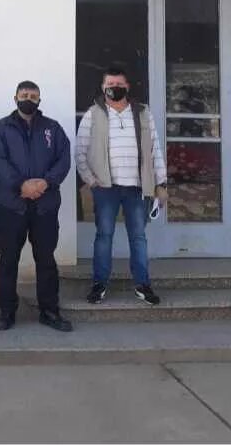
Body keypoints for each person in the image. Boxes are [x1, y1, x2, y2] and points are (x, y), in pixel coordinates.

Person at [75, 64, 168, 306]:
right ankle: (99, 284)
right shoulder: (93, 114)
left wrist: (162, 182)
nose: (114, 88)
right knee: (104, 236)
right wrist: (90, 180)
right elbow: (80, 151)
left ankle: (142, 285)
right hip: (106, 188)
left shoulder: (142, 113)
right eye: (110, 85)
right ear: (103, 87)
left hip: (137, 188)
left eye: (118, 85)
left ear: (126, 86)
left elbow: (155, 148)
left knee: (138, 237)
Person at [0, 81, 73, 332]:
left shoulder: (53, 128)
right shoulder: (1, 128)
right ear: (15, 97)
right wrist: (20, 185)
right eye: (24, 95)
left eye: (33, 95)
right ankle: (6, 312)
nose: (29, 99)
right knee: (8, 260)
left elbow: (64, 159)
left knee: (46, 260)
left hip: (45, 205)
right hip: (11, 205)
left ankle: (49, 311)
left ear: (40, 99)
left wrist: (46, 183)